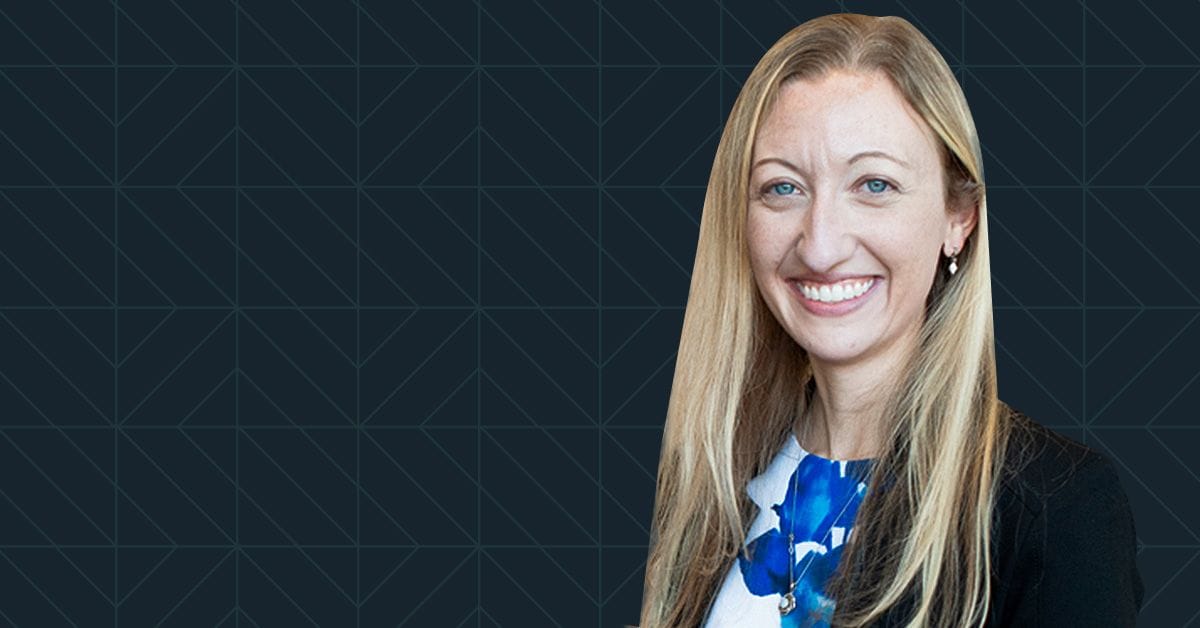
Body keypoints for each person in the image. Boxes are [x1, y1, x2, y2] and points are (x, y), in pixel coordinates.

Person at [637, 13, 1144, 628]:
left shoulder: (1053, 508)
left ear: (959, 217)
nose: (820, 245)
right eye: (782, 188)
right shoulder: (718, 483)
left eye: (874, 184)